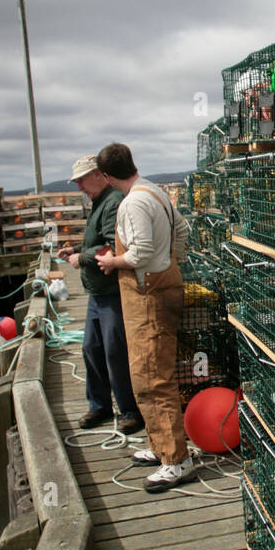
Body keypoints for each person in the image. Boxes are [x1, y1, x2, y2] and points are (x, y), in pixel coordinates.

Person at [93, 143, 193, 493]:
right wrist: (171, 264)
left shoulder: (132, 202)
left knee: (152, 378)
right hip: (164, 286)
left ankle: (176, 461)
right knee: (152, 373)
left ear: (106, 177)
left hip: (147, 296)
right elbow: (181, 232)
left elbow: (141, 252)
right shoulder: (155, 191)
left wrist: (111, 263)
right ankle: (160, 445)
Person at [57, 155, 145, 436]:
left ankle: (130, 411)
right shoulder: (99, 201)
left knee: (114, 352)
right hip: (97, 293)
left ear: (98, 174)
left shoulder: (113, 202)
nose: (79, 186)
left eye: (82, 180)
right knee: (91, 349)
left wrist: (80, 258)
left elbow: (113, 246)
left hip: (112, 293)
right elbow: (98, 242)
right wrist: (75, 251)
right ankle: (100, 406)